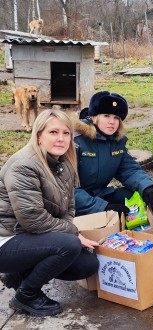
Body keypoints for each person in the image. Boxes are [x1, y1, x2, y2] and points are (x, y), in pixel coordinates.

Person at [0, 110, 99, 317]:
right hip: (6, 237)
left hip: (27, 235)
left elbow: (68, 207)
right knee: (69, 245)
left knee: (86, 264)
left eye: (66, 133)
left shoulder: (64, 162)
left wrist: (68, 230)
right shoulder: (24, 165)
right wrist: (71, 232)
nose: (61, 139)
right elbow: (32, 219)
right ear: (38, 135)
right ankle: (26, 296)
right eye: (53, 132)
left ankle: (18, 274)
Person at [73, 91, 153, 216]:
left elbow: (129, 169)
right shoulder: (76, 141)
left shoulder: (116, 141)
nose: (112, 122)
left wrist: (147, 187)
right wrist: (103, 208)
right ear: (93, 117)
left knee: (138, 197)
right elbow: (66, 189)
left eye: (116, 118)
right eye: (106, 116)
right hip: (75, 203)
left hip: (101, 195)